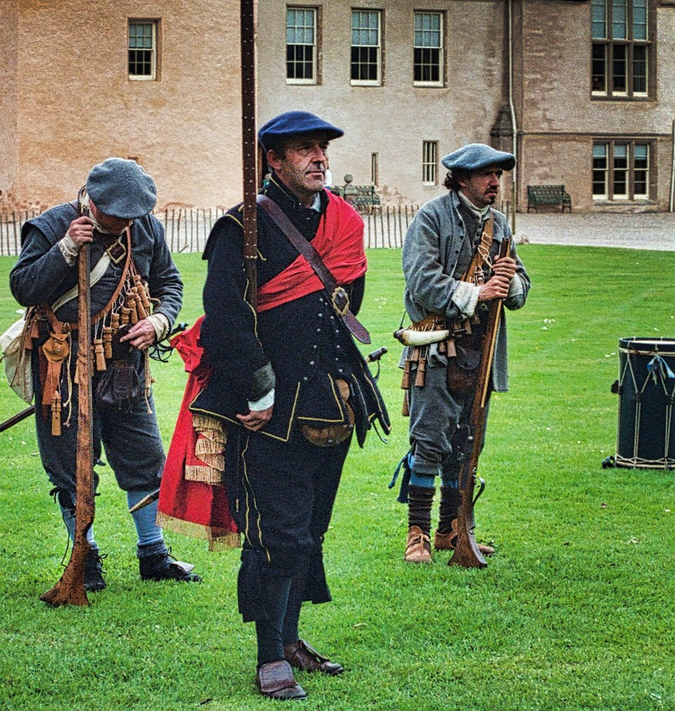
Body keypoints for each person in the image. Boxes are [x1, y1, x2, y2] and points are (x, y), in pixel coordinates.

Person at [191, 111, 390, 700]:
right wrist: (259, 385)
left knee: (311, 528)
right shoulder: (241, 227)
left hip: (329, 399)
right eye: (305, 150)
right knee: (277, 533)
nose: (319, 159)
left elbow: (345, 299)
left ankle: (292, 638)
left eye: (322, 149)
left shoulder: (345, 223)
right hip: (267, 405)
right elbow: (225, 317)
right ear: (273, 161)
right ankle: (268, 658)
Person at [10, 158, 198, 589]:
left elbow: (169, 283)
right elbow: (23, 287)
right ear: (92, 202)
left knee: (145, 460)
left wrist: (159, 322)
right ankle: (85, 556)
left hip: (125, 368)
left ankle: (153, 553)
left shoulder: (144, 227)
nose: (127, 223)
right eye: (118, 215)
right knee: (71, 467)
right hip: (63, 367)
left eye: (134, 215)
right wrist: (65, 250)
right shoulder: (52, 225)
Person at [399, 143, 530, 563]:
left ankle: (451, 531)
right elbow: (421, 281)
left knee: (467, 442)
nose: (495, 182)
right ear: (462, 179)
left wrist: (509, 285)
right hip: (435, 346)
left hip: (481, 351)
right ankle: (417, 534)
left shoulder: (501, 225)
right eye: (486, 175)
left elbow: (521, 286)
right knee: (429, 442)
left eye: (498, 175)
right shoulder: (431, 218)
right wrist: (478, 291)